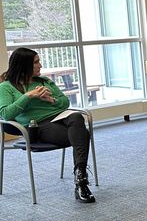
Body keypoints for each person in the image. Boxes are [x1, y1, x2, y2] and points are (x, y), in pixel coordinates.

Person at [0, 48, 95, 202]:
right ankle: (81, 181)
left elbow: (65, 102)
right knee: (82, 135)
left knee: (77, 116)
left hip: (61, 117)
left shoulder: (45, 81)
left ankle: (80, 177)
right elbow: (5, 114)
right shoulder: (6, 87)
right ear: (24, 65)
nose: (40, 65)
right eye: (36, 62)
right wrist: (28, 96)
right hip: (37, 126)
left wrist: (52, 100)